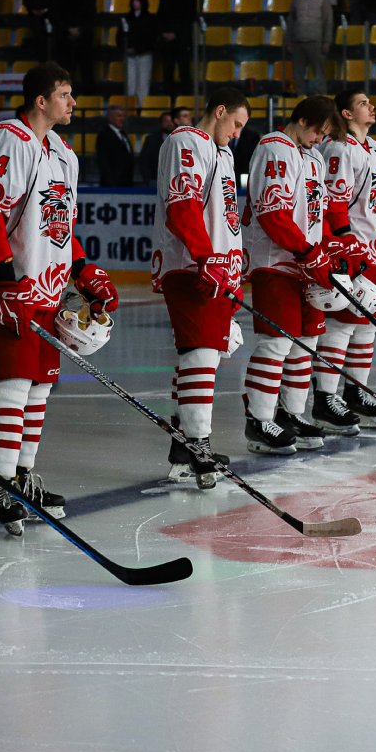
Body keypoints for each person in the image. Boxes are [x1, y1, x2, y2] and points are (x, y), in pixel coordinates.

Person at [0, 63, 118, 534]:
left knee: (39, 388)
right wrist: (6, 278)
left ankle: (23, 477)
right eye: (65, 94)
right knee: (11, 385)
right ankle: (2, 483)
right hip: (9, 290)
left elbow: (59, 227)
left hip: (48, 292)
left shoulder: (64, 154)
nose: (73, 103)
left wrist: (83, 269)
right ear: (41, 100)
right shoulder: (9, 138)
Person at [153, 87, 249, 486]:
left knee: (202, 357)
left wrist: (233, 273)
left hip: (215, 270)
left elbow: (226, 220)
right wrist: (205, 257)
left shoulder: (222, 153)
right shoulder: (186, 140)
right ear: (220, 111)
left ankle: (184, 445)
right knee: (201, 355)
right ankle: (198, 445)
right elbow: (182, 205)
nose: (238, 134)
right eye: (236, 124)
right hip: (192, 268)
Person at [241, 96, 347, 452]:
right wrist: (307, 252)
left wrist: (330, 249)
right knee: (276, 342)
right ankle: (259, 420)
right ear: (302, 120)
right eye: (318, 131)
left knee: (307, 341)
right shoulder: (274, 147)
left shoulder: (313, 157)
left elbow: (318, 216)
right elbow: (273, 213)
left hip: (306, 263)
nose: (320, 139)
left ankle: (292, 413)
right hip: (276, 262)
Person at [310, 90, 376, 430]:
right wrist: (345, 243)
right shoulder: (339, 149)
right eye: (362, 103)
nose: (371, 106)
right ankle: (325, 397)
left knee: (368, 324)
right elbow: (334, 202)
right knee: (343, 325)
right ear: (345, 113)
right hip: (353, 251)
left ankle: (356, 391)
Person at [287, 0, 334, 94]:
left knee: (319, 73)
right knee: (298, 74)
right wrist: (289, 41)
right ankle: (300, 98)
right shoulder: (296, 0)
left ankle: (322, 98)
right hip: (298, 42)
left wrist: (327, 42)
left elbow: (328, 22)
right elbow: (291, 21)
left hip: (316, 42)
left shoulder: (323, 0)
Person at [155, 0, 197, 93]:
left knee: (184, 71)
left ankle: (186, 99)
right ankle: (170, 99)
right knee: (167, 72)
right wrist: (163, 33)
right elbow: (160, 15)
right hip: (166, 41)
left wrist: (176, 33)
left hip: (182, 40)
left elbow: (189, 18)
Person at [121, 0, 156, 103]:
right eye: (134, 0)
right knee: (130, 84)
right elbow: (120, 37)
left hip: (145, 55)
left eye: (138, 0)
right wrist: (126, 49)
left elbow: (152, 38)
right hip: (129, 56)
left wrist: (138, 49)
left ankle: (142, 108)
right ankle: (131, 108)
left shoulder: (149, 19)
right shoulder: (126, 18)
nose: (135, 3)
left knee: (143, 84)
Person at [96, 104, 135, 187]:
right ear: (110, 118)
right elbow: (103, 161)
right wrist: (111, 183)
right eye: (119, 116)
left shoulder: (123, 134)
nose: (122, 119)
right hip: (112, 184)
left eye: (123, 116)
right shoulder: (104, 135)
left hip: (126, 182)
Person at [140, 109, 175, 183]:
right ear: (161, 123)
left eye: (171, 121)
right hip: (155, 180)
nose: (169, 123)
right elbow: (144, 160)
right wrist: (147, 179)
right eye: (166, 121)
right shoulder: (151, 139)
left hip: (175, 180)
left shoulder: (181, 138)